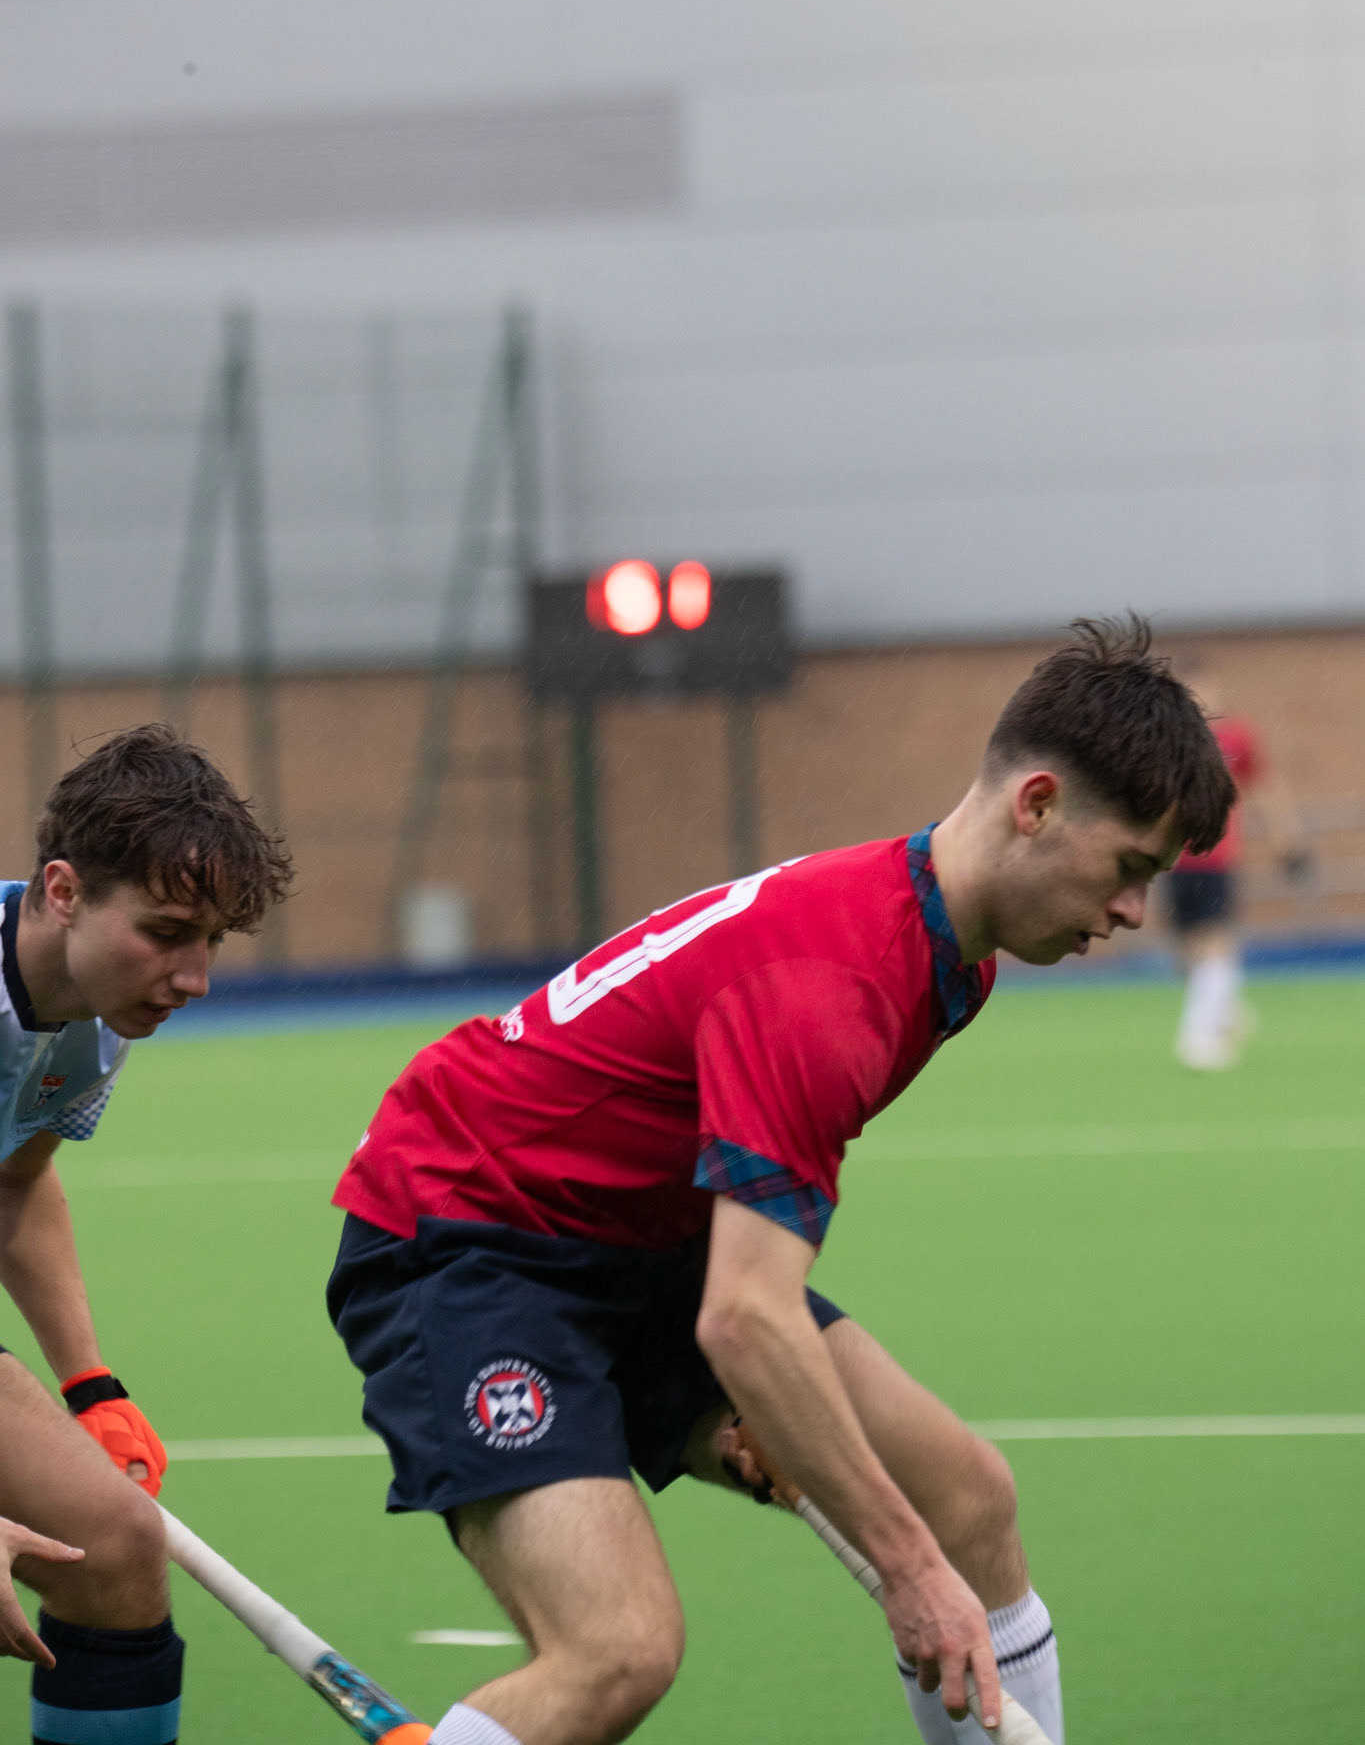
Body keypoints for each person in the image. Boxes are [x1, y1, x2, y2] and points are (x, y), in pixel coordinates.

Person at [327, 618, 1234, 1745]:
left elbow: (737, 1296)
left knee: (967, 1502)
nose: (1135, 911)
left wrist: (784, 1428)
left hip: (646, 1241)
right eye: (1130, 868)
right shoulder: (831, 985)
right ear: (1037, 805)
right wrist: (905, 1567)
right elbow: (747, 1319)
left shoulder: (950, 955)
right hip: (467, 1236)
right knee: (618, 1652)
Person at [0, 723, 292, 1745]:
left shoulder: (86, 1021)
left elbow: (15, 1180)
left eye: (209, 941)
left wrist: (91, 1385)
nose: (193, 976)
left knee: (116, 1549)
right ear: (65, 890)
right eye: (166, 932)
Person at [1167, 671, 1309, 1070]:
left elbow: (1265, 786)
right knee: (1184, 954)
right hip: (1172, 860)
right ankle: (1224, 1007)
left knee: (1214, 941)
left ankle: (1200, 1036)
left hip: (1216, 857)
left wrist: (1287, 839)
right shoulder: (1169, 739)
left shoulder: (1236, 738)